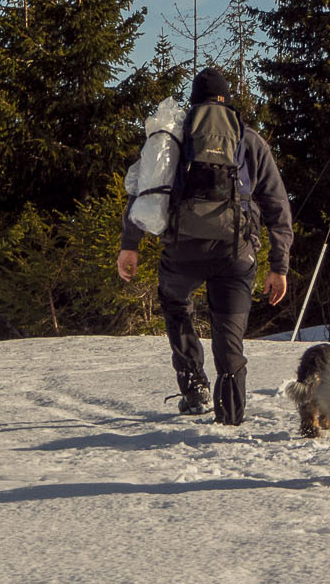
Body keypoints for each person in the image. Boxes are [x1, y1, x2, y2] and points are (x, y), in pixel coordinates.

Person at [116, 66, 292, 425]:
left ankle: (194, 386)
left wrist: (129, 245)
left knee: (175, 303)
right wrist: (279, 266)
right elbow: (277, 206)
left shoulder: (175, 138)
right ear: (227, 101)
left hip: (183, 253)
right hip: (236, 253)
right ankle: (230, 410)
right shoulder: (249, 140)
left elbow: (146, 191)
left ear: (193, 101)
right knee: (229, 334)